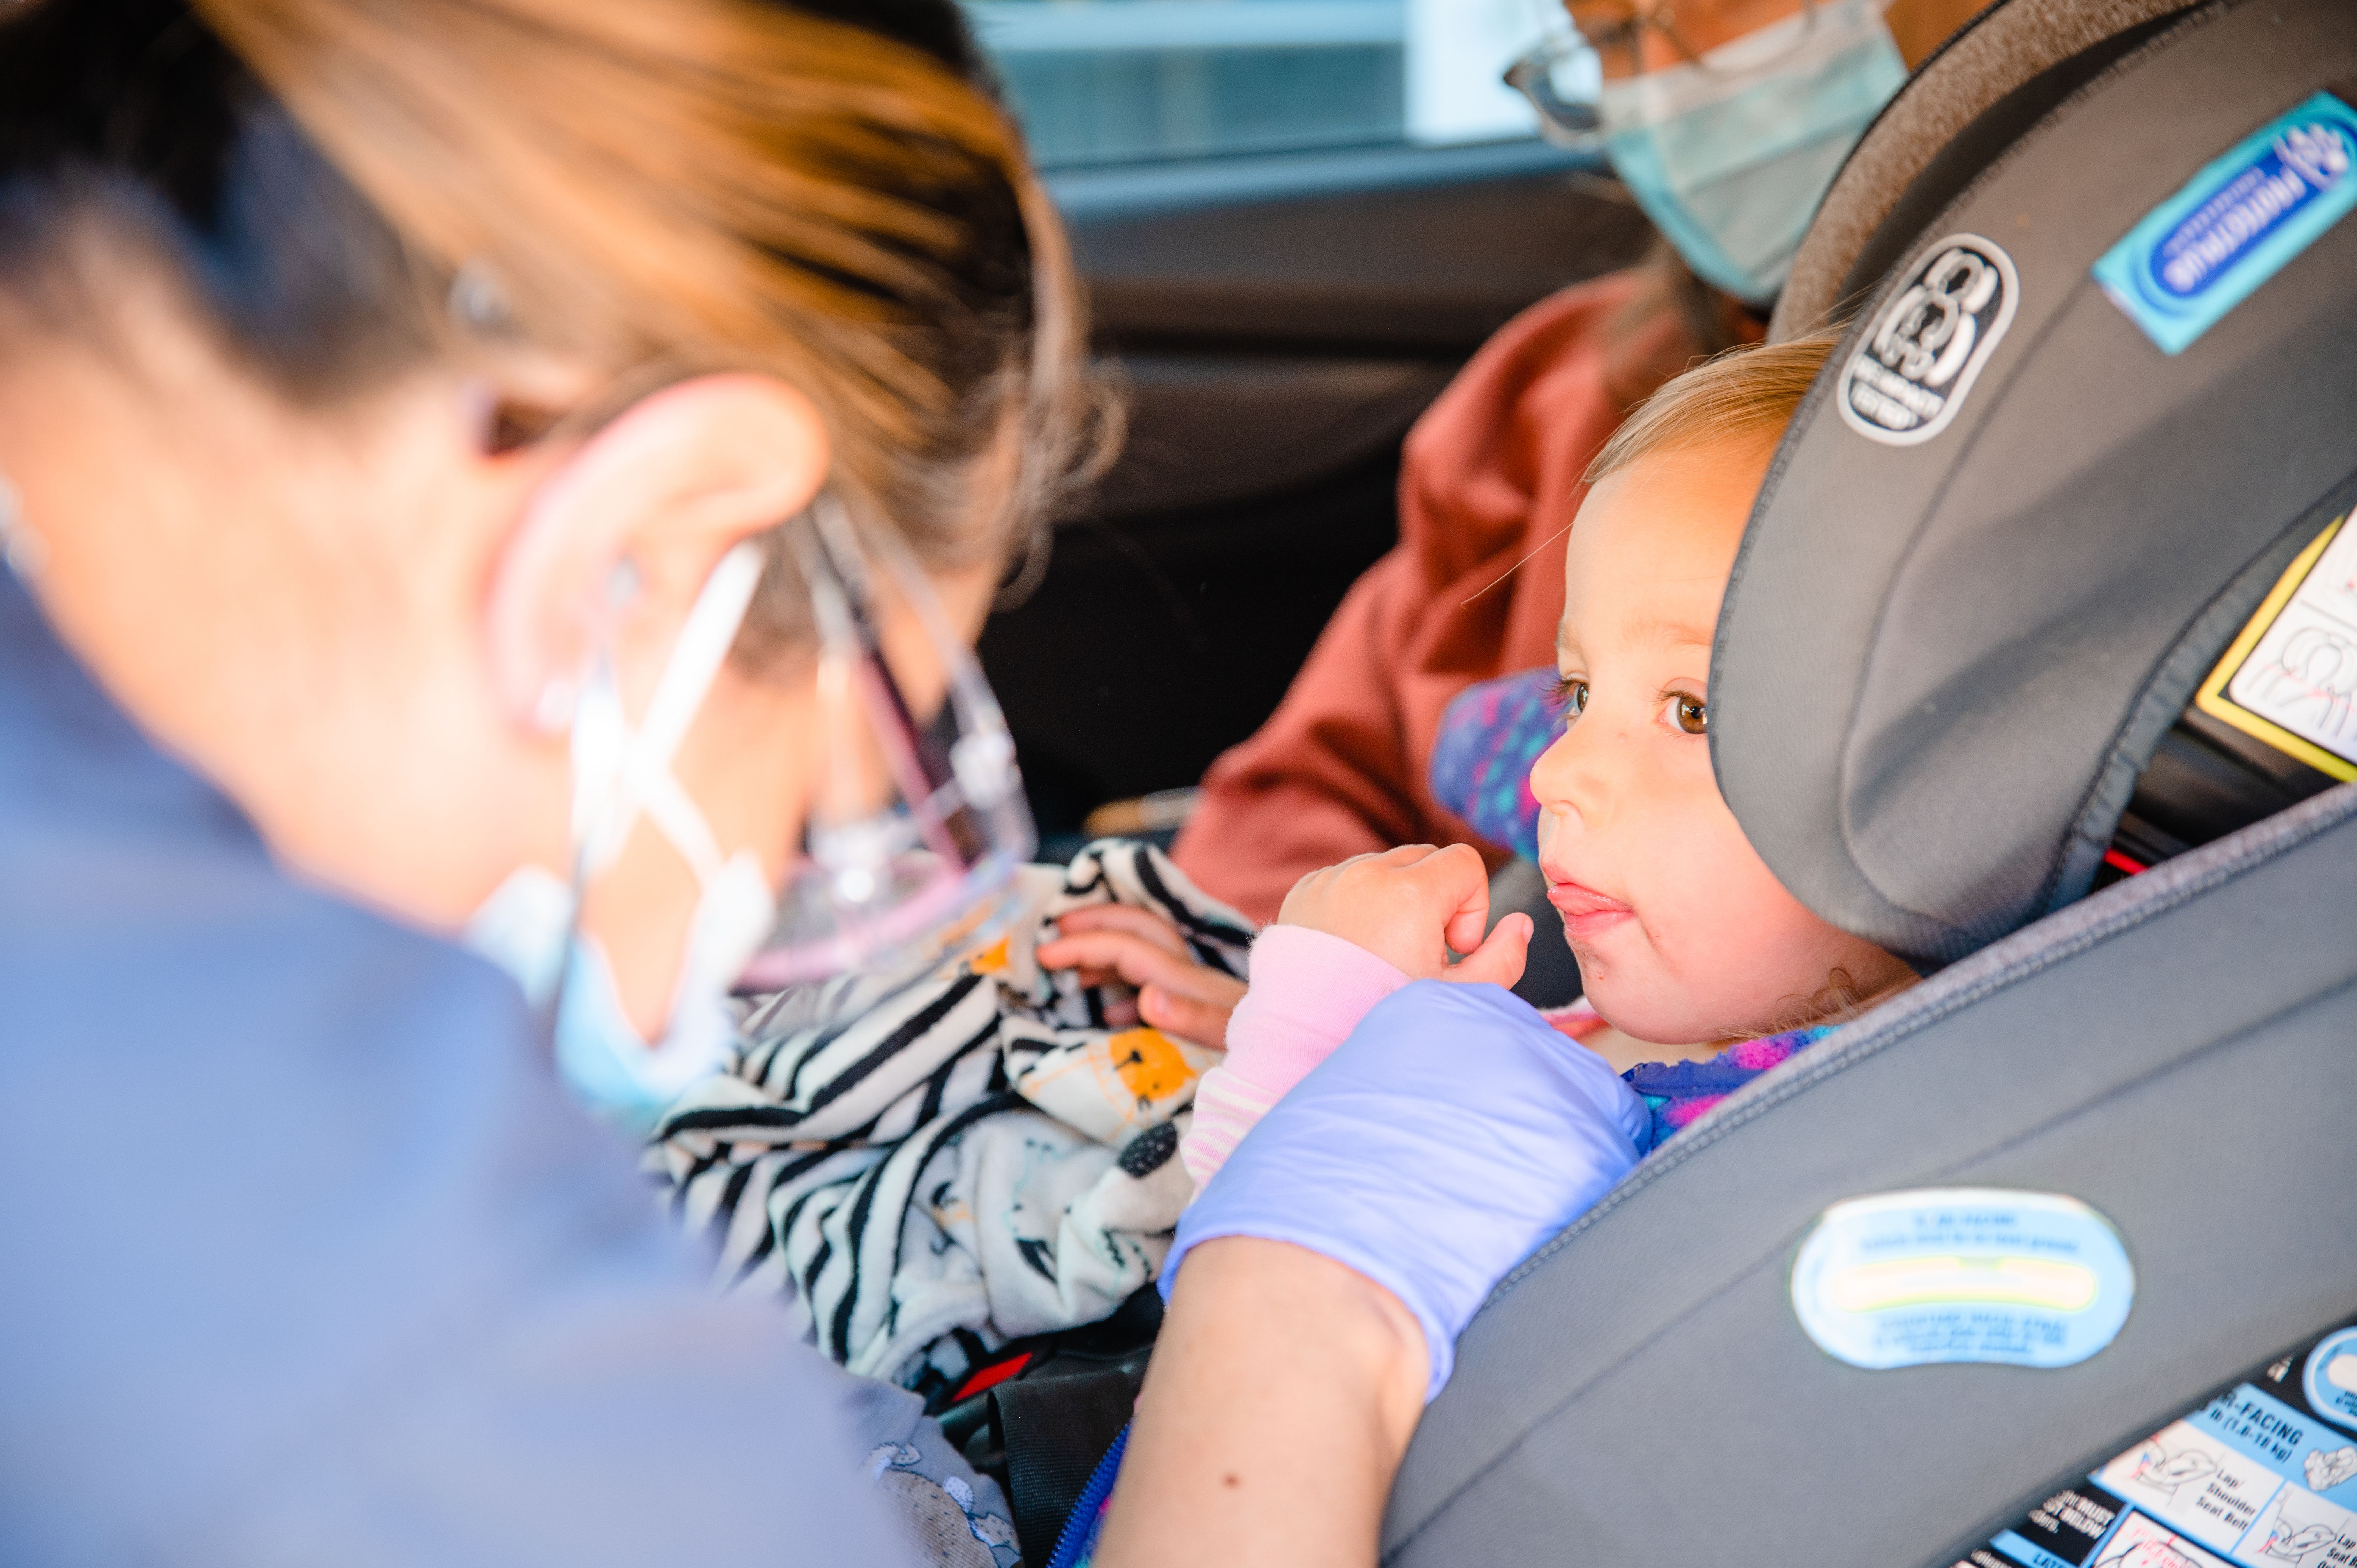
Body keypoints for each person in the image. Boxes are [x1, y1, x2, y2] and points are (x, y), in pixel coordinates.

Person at [0, 0, 1099, 1560]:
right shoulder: (408, 1342)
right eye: (807, 821)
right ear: (637, 547)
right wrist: (1299, 1311)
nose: (705, 982)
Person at [1087, 333, 1915, 1568]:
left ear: (1947, 774)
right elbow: (1478, 741)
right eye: (1577, 696)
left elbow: (1220, 1364)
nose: (1556, 772)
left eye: (1692, 711)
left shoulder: (1491, 1100)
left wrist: (1326, 1045)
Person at [1169, 0, 1987, 924]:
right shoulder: (1553, 383)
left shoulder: (2045, 397)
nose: (1656, 91)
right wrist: (1272, 966)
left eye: (1708, 7)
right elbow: (1310, 780)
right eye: (1608, 41)